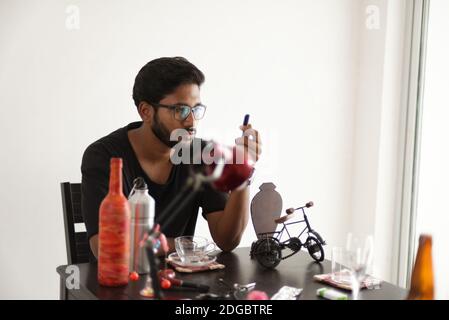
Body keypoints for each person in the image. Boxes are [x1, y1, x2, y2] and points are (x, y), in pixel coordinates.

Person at [81, 57, 261, 259]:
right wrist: (184, 245)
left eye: (196, 109)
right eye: (181, 110)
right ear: (146, 111)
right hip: (120, 283)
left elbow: (227, 241)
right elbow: (106, 248)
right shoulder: (105, 156)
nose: (191, 121)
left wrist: (243, 172)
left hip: (185, 284)